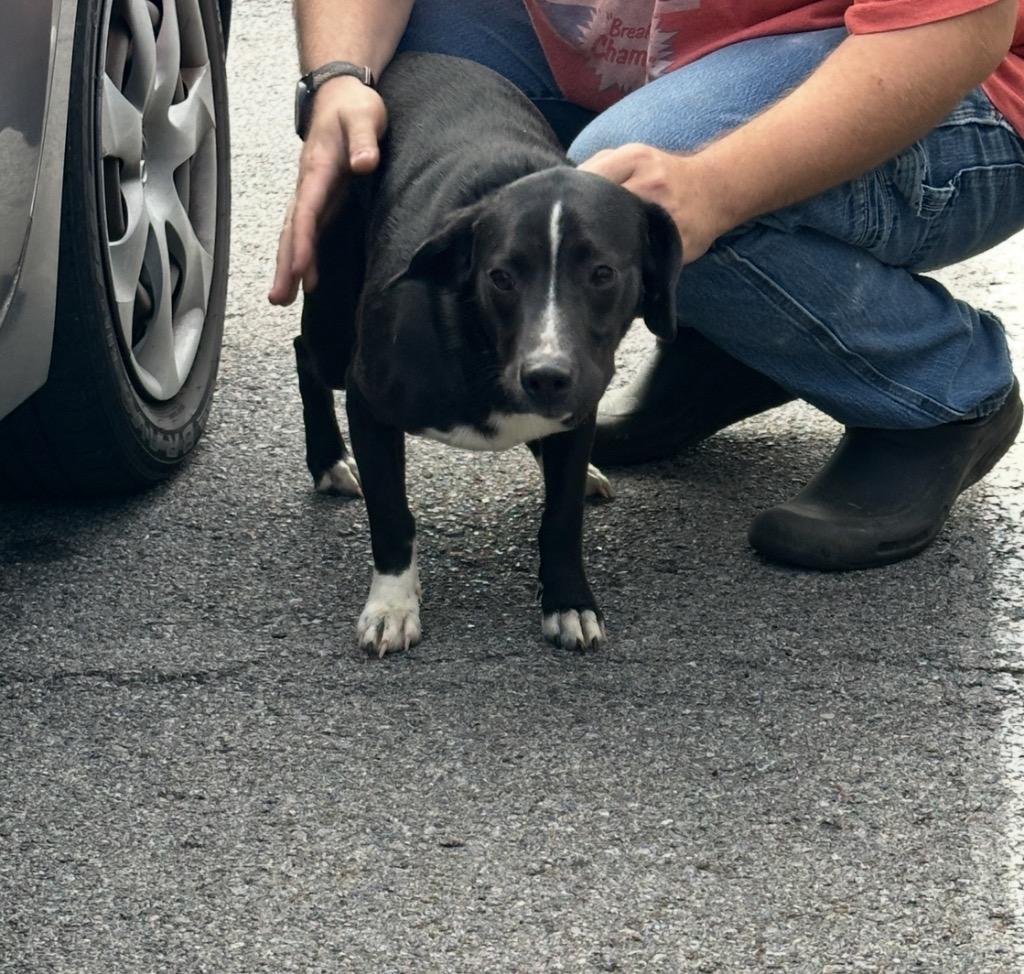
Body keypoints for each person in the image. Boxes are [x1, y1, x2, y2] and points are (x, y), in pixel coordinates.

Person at [270, 0, 1024, 572]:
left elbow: (956, 24)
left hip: (951, 87)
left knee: (631, 177)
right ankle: (739, 337)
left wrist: (717, 190)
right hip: (651, 57)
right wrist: (339, 79)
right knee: (411, 63)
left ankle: (935, 388)